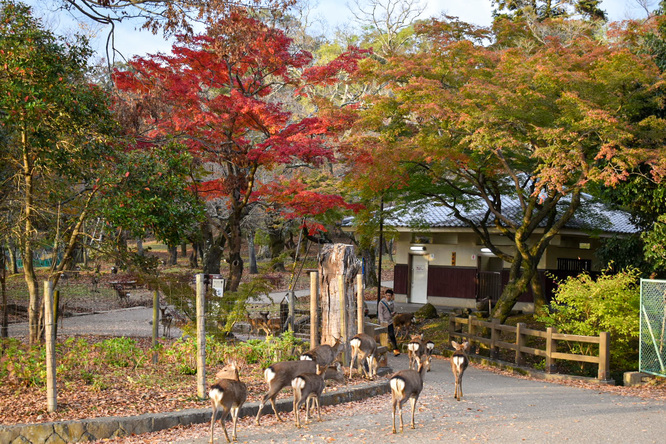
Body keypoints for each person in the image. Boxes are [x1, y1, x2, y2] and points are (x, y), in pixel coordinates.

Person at [378, 289, 400, 356]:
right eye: (387, 295)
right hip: (383, 321)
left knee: (392, 335)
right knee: (382, 336)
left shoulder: (392, 303)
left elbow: (392, 311)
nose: (388, 297)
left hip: (390, 321)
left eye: (390, 295)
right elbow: (380, 313)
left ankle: (395, 349)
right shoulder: (381, 303)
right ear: (385, 295)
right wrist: (382, 321)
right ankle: (381, 350)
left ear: (392, 296)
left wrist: (393, 313)